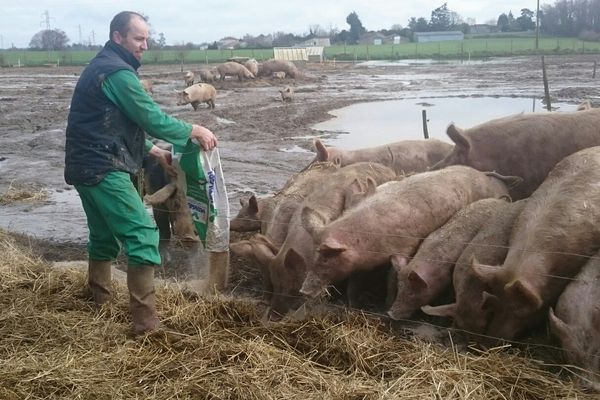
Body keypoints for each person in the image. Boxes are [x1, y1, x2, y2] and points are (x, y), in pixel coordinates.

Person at [64, 11, 216, 335]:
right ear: (118, 37)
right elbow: (150, 118)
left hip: (85, 165)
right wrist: (194, 129)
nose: (144, 45)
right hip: (104, 167)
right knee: (144, 235)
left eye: (147, 38)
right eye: (138, 38)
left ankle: (99, 301)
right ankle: (146, 326)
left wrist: (154, 150)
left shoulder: (103, 67)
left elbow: (113, 124)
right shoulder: (117, 73)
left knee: (104, 237)